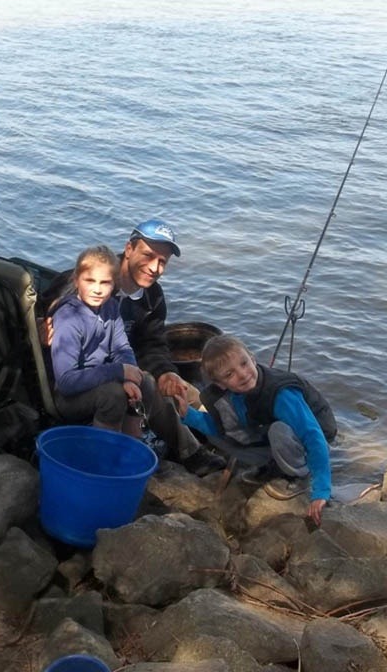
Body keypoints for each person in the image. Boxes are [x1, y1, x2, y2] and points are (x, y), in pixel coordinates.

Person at [40, 219, 226, 476]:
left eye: (162, 262)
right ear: (129, 249)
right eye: (148, 255)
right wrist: (40, 324)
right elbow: (48, 308)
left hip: (122, 368)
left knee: (185, 390)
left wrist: (166, 372)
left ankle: (209, 442)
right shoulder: (94, 279)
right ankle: (120, 461)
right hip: (78, 378)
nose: (154, 267)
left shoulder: (151, 297)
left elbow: (151, 344)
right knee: (138, 387)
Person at [197, 334, 338, 526]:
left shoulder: (282, 395)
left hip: (315, 433)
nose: (242, 374)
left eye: (244, 363)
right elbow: (219, 428)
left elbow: (314, 436)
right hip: (269, 429)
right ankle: (273, 465)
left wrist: (321, 490)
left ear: (253, 358)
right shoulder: (233, 395)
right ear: (221, 384)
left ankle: (299, 474)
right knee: (216, 435)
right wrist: (186, 414)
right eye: (229, 374)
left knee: (278, 431)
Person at [49, 244, 165, 438]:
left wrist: (130, 377)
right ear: (76, 280)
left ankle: (132, 440)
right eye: (90, 281)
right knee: (113, 395)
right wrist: (118, 372)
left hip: (101, 379)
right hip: (68, 396)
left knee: (146, 382)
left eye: (105, 283)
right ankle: (105, 448)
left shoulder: (111, 307)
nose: (97, 289)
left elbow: (122, 348)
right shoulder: (70, 318)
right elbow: (67, 382)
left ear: (115, 285)